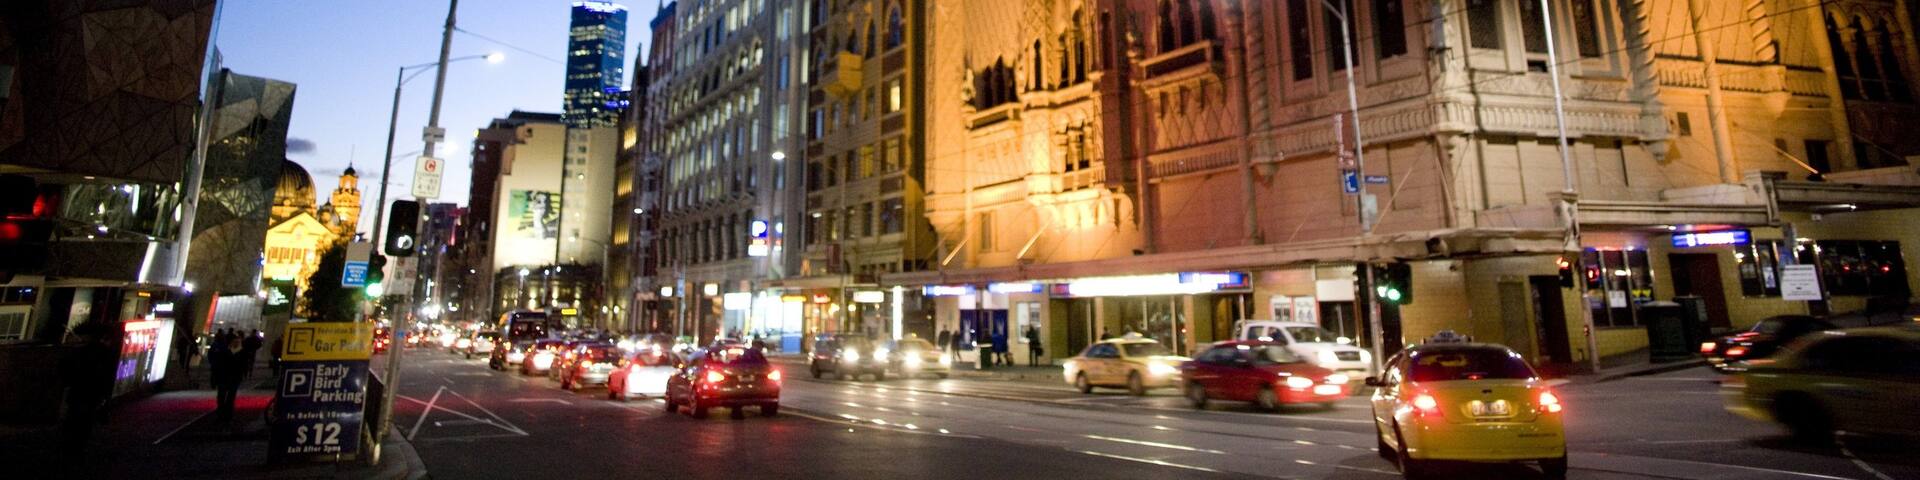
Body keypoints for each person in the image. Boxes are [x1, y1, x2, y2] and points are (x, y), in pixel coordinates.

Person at [59, 323, 117, 455]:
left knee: (73, 418)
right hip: (92, 392)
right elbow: (107, 375)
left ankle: (69, 447)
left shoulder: (77, 352)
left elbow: (64, 370)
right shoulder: (104, 353)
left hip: (78, 390)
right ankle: (77, 447)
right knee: (85, 420)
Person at [210, 336, 244, 421]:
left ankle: (227, 415)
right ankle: (222, 414)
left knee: (229, 398)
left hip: (231, 378)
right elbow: (217, 366)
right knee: (222, 397)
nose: (236, 343)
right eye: (235, 341)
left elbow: (242, 367)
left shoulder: (239, 353)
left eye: (238, 342)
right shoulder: (226, 352)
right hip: (225, 377)